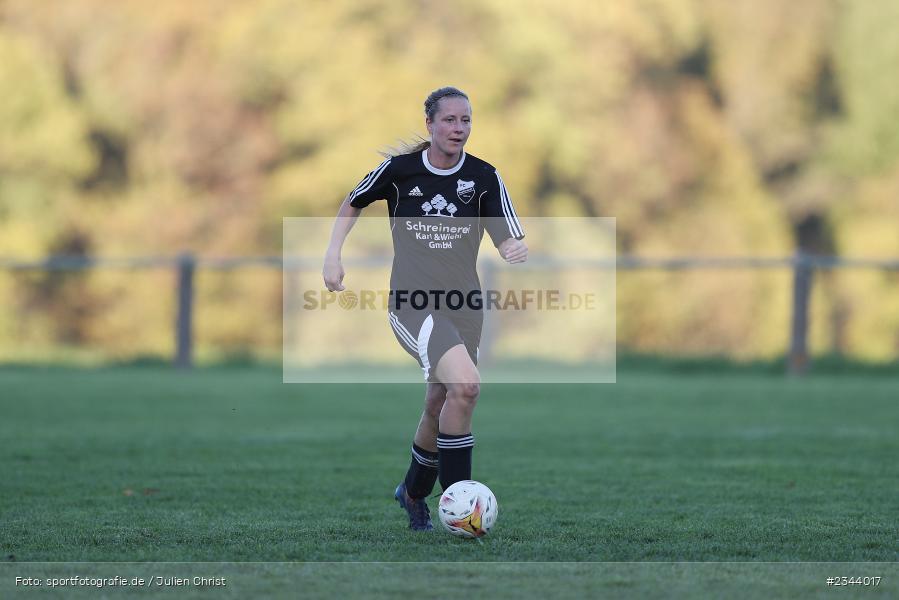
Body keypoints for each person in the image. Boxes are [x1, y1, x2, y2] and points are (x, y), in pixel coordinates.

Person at [322, 86, 527, 531]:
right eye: (450, 120)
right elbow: (353, 201)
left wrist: (513, 247)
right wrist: (332, 254)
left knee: (442, 398)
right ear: (430, 124)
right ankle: (461, 505)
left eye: (466, 120)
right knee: (467, 386)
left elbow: (506, 233)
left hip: (465, 307)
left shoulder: (484, 176)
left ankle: (413, 493)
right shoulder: (400, 171)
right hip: (413, 304)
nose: (459, 128)